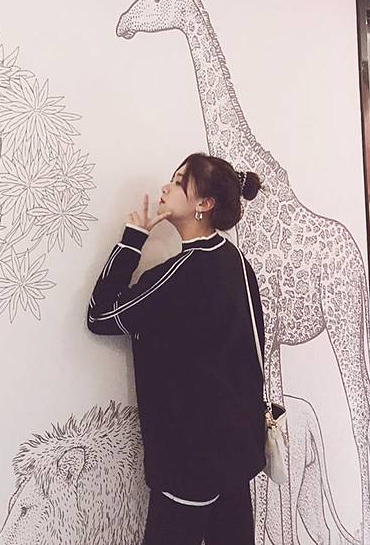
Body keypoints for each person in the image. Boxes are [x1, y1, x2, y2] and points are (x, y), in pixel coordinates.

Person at [87, 152, 268, 545]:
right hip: (236, 452)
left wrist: (133, 238)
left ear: (205, 204)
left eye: (181, 181)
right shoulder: (236, 262)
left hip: (190, 460)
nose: (166, 187)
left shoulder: (179, 274)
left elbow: (100, 316)